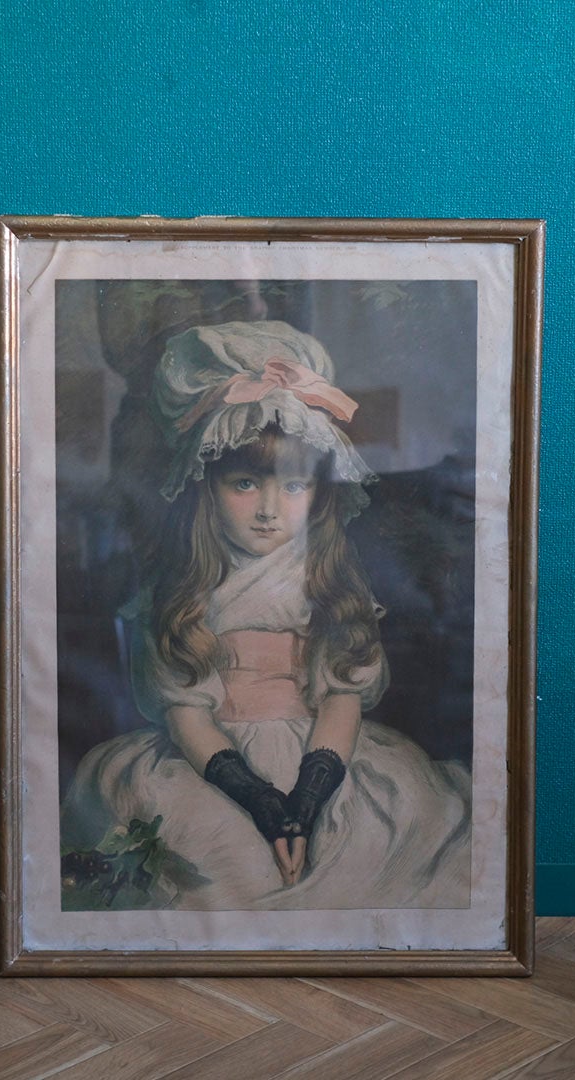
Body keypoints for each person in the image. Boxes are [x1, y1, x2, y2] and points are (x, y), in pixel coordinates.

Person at [60, 320, 470, 910]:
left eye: (295, 486)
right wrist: (258, 798)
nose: (269, 511)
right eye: (246, 483)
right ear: (206, 486)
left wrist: (308, 795)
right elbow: (187, 714)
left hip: (323, 755)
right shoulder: (184, 590)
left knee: (371, 843)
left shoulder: (328, 582)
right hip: (210, 761)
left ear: (321, 495)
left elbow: (341, 698)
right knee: (214, 855)